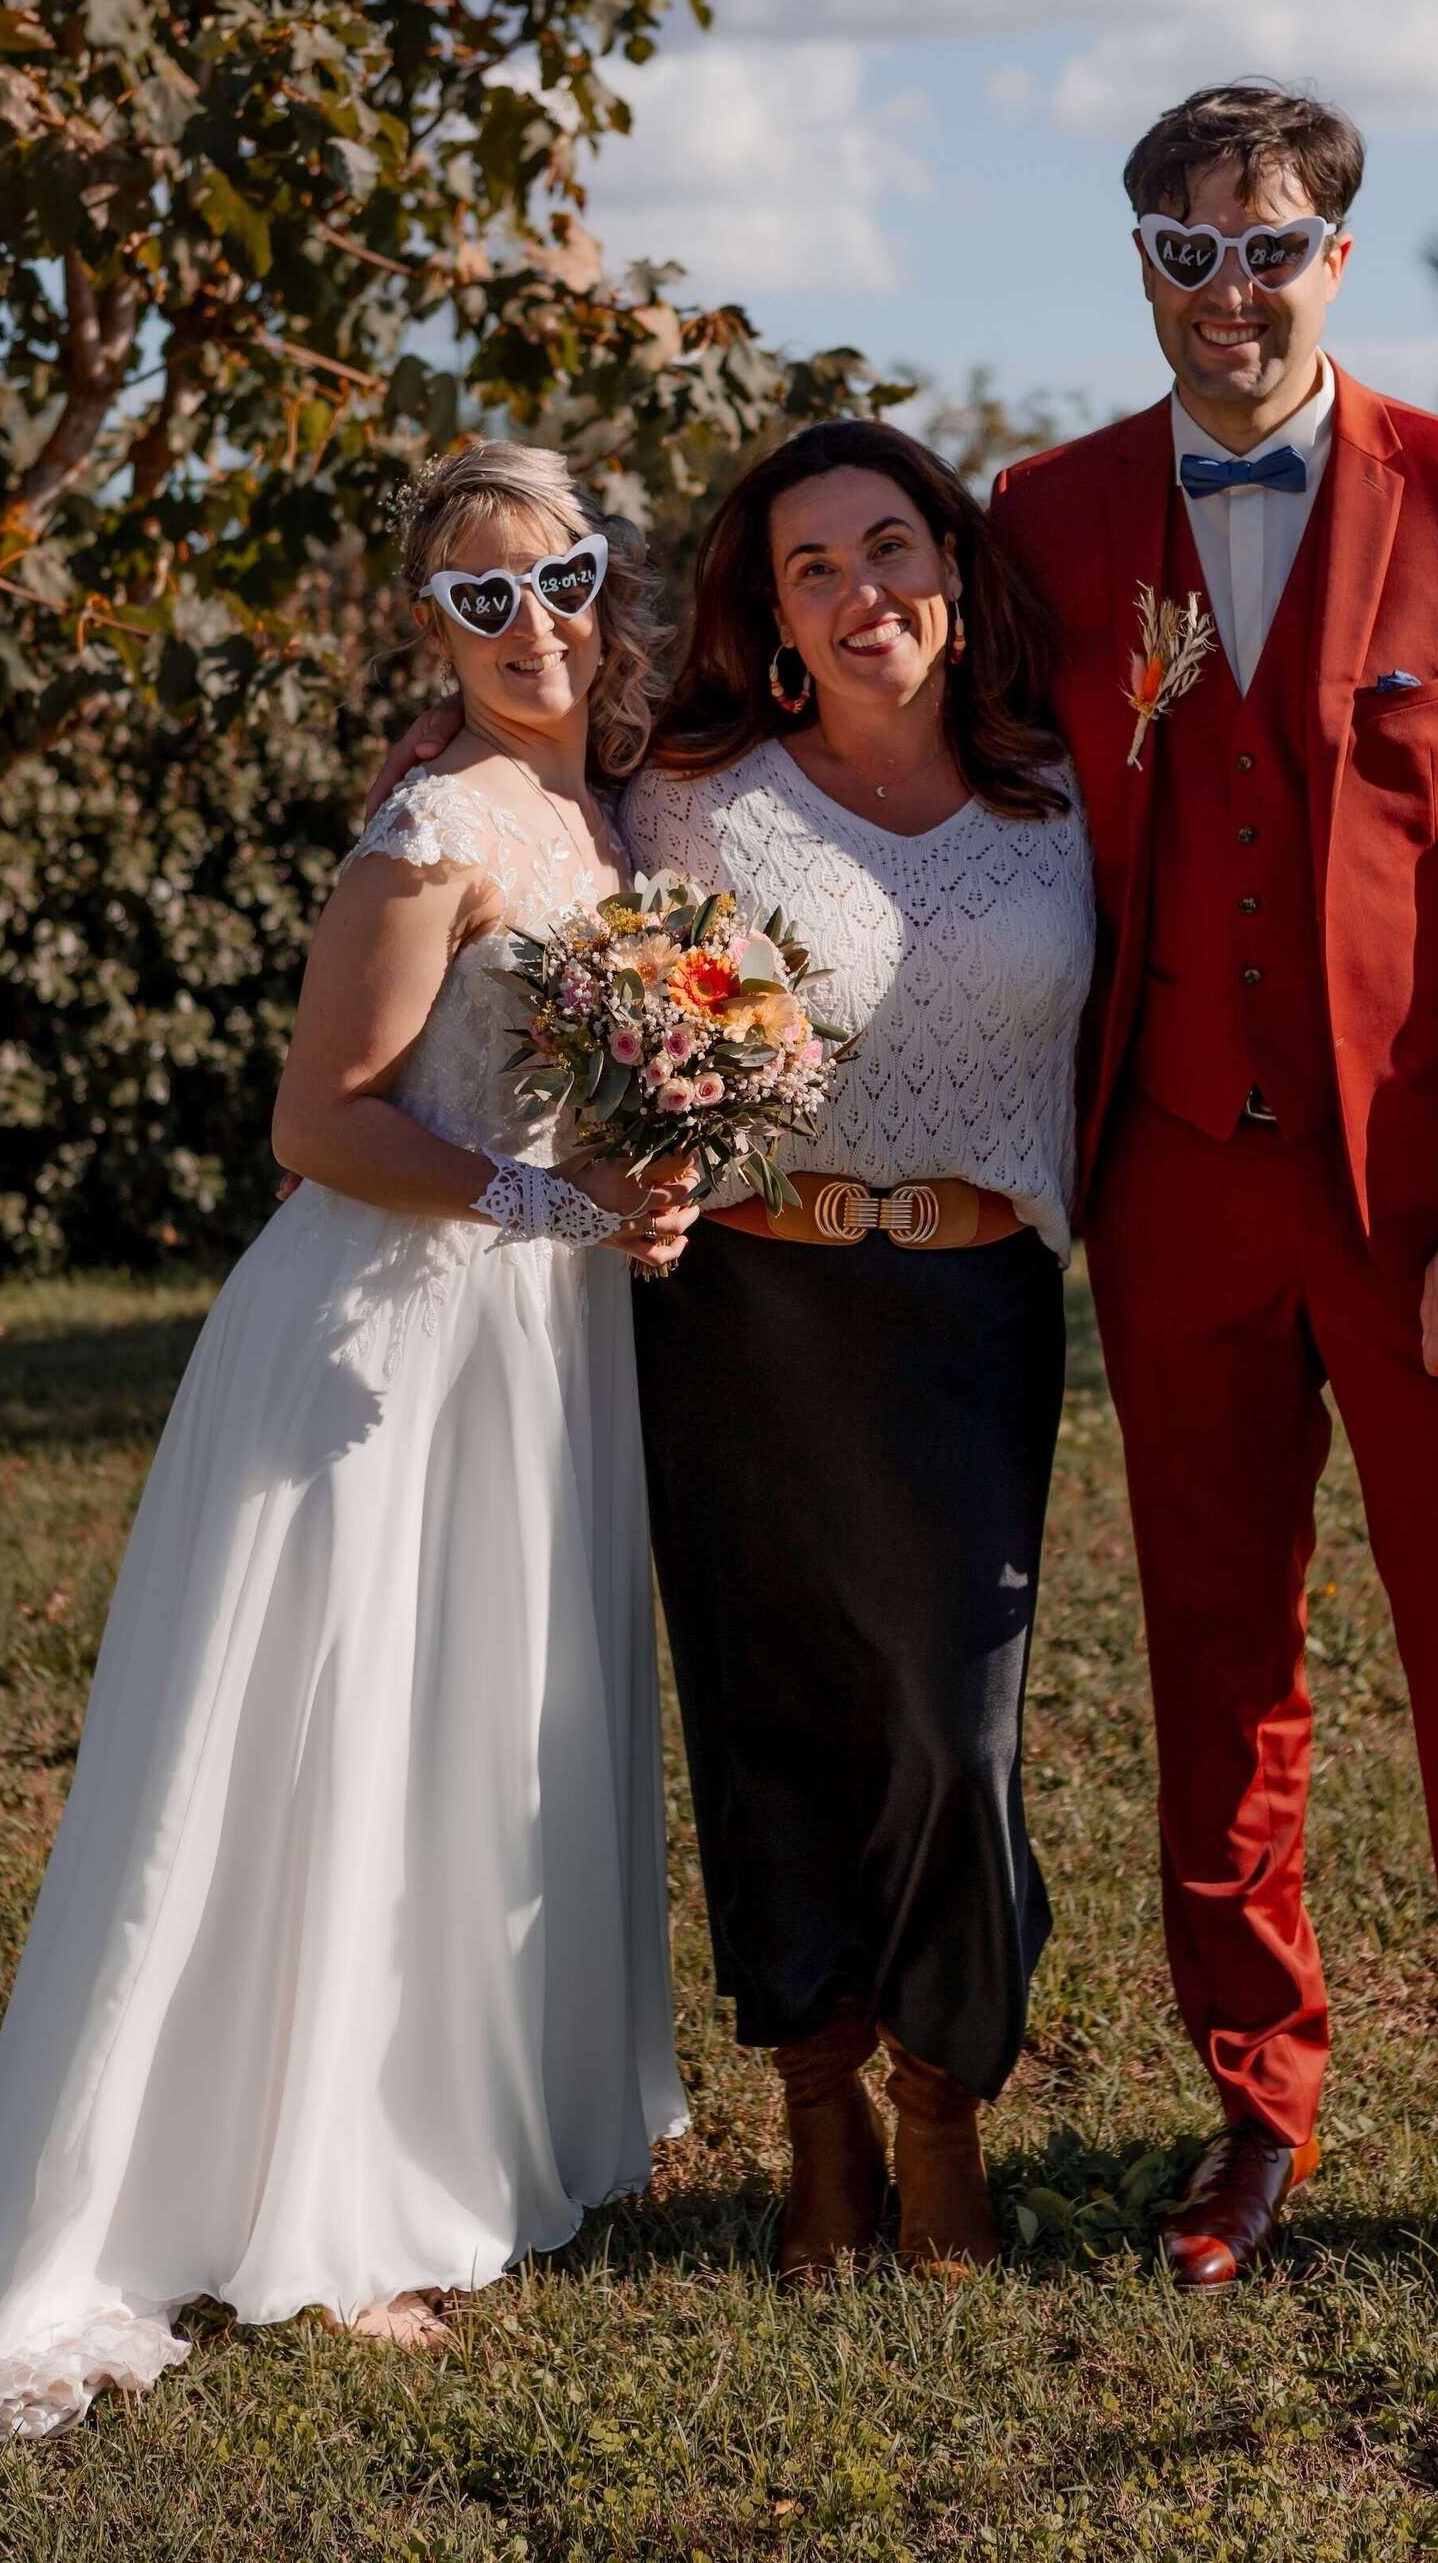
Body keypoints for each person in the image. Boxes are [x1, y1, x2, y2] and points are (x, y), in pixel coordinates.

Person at [0, 442, 696, 2444]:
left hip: (534, 1340)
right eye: (480, 597)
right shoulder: (431, 825)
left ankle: (465, 2133)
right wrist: (554, 1204)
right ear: (431, 627)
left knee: (483, 1733)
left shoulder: (596, 807)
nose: (532, 624)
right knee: (352, 1749)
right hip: (382, 1336)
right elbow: (320, 1125)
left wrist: (646, 1178)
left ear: (607, 583)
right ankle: (325, 2201)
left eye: (561, 576)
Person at [991, 80, 1438, 2360]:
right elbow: (953, 796)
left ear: (1335, 260)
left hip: (1432, 1211)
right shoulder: (1047, 518)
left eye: (1268, 246)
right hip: (1175, 1187)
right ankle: (1253, 2105)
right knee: (1213, 1667)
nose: (1230, 290)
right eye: (1187, 251)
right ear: (1143, 267)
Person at [372, 422, 1093, 2277]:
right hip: (746, 1312)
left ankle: (946, 2102)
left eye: (890, 546)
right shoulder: (690, 789)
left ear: (953, 567)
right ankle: (822, 2114)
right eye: (811, 569)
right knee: (768, 1714)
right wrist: (440, 744)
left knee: (956, 1725)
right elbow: (524, 813)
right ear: (768, 616)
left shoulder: (1066, 787)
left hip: (975, 1314)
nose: (861, 592)